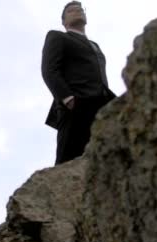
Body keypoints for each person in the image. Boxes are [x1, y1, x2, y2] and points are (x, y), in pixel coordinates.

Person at [41, 1, 116, 165]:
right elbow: (49, 70)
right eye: (71, 10)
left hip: (101, 106)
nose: (77, 11)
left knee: (101, 160)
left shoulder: (95, 45)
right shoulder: (57, 36)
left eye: (80, 9)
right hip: (75, 106)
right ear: (63, 21)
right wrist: (67, 98)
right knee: (67, 160)